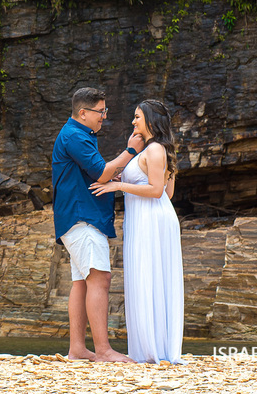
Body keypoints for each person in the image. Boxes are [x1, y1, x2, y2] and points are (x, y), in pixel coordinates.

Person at [51, 87, 144, 362]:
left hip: (77, 217)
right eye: (101, 111)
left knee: (82, 282)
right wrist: (131, 150)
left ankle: (78, 349)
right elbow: (102, 172)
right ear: (83, 113)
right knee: (99, 278)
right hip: (82, 217)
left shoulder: (79, 135)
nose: (104, 116)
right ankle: (103, 350)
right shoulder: (75, 136)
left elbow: (97, 175)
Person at [90, 99, 184, 364]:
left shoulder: (155, 150)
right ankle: (151, 348)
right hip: (146, 218)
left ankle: (155, 350)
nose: (133, 122)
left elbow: (158, 192)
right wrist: (125, 180)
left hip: (152, 220)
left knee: (149, 275)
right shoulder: (156, 149)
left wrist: (118, 187)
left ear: (151, 120)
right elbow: (167, 192)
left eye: (137, 117)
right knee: (147, 277)